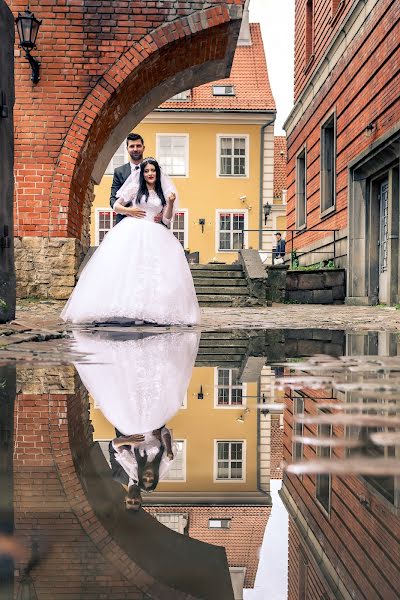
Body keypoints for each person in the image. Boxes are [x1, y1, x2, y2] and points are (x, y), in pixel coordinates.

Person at [61, 157, 200, 325]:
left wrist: (170, 202)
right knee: (130, 267)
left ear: (157, 172)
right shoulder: (135, 189)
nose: (150, 174)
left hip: (155, 232)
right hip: (132, 228)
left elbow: (167, 219)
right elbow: (116, 206)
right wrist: (130, 211)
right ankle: (124, 308)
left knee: (152, 272)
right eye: (146, 171)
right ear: (142, 173)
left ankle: (150, 310)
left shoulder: (163, 194)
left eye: (153, 170)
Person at [110, 132, 177, 226]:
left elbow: (166, 216)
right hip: (128, 224)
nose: (135, 149)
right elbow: (114, 199)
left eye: (138, 146)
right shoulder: (119, 172)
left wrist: (162, 214)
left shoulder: (153, 168)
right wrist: (128, 211)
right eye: (132, 146)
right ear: (127, 149)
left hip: (154, 226)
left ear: (143, 148)